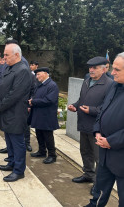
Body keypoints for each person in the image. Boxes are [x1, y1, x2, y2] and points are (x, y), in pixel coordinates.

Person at [68, 57, 112, 194]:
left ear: (104, 69)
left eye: (95, 67)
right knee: (85, 152)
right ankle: (88, 174)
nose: (91, 70)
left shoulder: (110, 85)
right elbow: (82, 100)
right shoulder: (87, 81)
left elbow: (108, 108)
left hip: (97, 128)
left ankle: (98, 184)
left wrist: (92, 110)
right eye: (90, 67)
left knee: (98, 158)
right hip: (84, 125)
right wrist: (75, 106)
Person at [84, 52, 124, 207]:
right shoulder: (115, 85)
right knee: (99, 189)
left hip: (120, 156)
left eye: (117, 70)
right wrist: (97, 131)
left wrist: (111, 141)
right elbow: (103, 111)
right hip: (105, 152)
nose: (112, 72)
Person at [0, 43, 31, 182]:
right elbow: (1, 87)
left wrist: (0, 106)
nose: (4, 58)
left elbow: (15, 94)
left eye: (6, 55)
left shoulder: (22, 70)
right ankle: (11, 163)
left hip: (16, 113)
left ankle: (19, 170)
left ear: (16, 55)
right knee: (9, 139)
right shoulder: (10, 68)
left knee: (17, 142)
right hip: (7, 111)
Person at [29, 67, 59, 164]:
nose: (37, 77)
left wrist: (33, 102)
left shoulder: (52, 85)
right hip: (38, 114)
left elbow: (49, 100)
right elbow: (35, 95)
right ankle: (42, 151)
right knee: (39, 134)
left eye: (38, 74)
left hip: (47, 115)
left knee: (48, 136)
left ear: (46, 73)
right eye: (36, 75)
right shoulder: (40, 84)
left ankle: (52, 155)